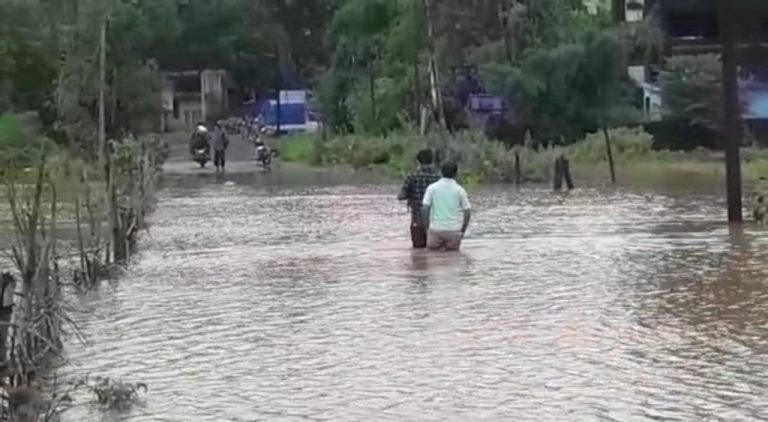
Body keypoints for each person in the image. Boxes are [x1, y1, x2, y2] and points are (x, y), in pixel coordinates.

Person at [421, 161, 471, 251]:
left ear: (441, 172)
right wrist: (462, 231)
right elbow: (467, 211)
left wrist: (427, 228)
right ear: (456, 174)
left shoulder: (432, 188)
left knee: (433, 261)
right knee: (453, 260)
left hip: (435, 229)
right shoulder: (460, 190)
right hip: (453, 231)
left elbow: (424, 208)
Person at [398, 149, 440, 248]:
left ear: (418, 162)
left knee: (418, 254)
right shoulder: (438, 177)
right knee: (436, 254)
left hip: (417, 219)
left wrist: (411, 194)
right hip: (436, 220)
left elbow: (400, 196)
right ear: (432, 161)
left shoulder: (412, 176)